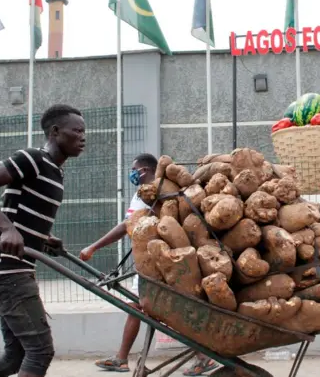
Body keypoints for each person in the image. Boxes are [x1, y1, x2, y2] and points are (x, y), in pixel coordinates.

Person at [0, 104, 86, 377]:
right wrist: (6, 228)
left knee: (14, 357)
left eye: (84, 131)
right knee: (40, 351)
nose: (83, 137)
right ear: (55, 132)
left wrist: (45, 239)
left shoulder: (55, 171)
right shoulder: (34, 159)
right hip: (7, 269)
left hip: (14, 268)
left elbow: (22, 215)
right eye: (76, 131)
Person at [80, 153, 218, 375]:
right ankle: (122, 358)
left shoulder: (155, 192)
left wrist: (93, 247)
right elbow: (131, 225)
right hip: (153, 259)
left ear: (145, 170)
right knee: (137, 307)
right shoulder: (146, 194)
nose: (132, 174)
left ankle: (202, 357)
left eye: (135, 169)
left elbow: (126, 226)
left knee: (153, 309)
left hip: (158, 261)